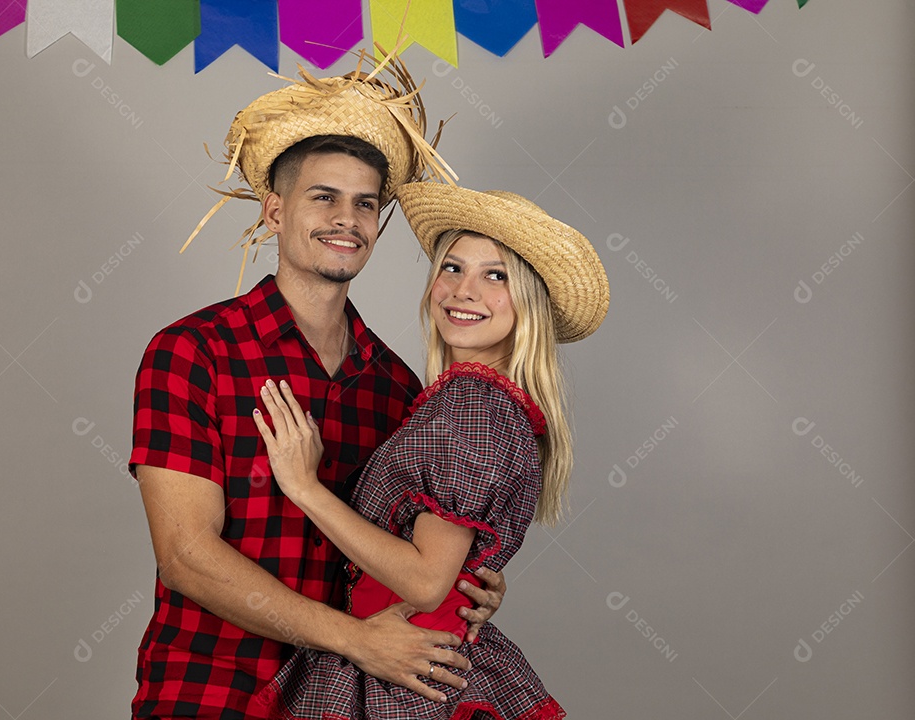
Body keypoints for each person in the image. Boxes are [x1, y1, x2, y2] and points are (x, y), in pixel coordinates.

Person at [128, 58, 506, 720]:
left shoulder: (397, 388)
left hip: (343, 700)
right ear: (275, 210)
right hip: (210, 689)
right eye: (323, 197)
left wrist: (458, 585)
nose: (346, 219)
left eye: (365, 203)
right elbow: (186, 555)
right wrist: (354, 639)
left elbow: (401, 558)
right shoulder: (193, 351)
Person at [251, 183, 610, 719]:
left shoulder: (471, 404)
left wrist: (305, 488)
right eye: (452, 268)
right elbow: (444, 566)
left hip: (401, 674)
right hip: (418, 659)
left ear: (529, 302)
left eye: (496, 276)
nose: (464, 290)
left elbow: (423, 582)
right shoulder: (475, 401)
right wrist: (469, 583)